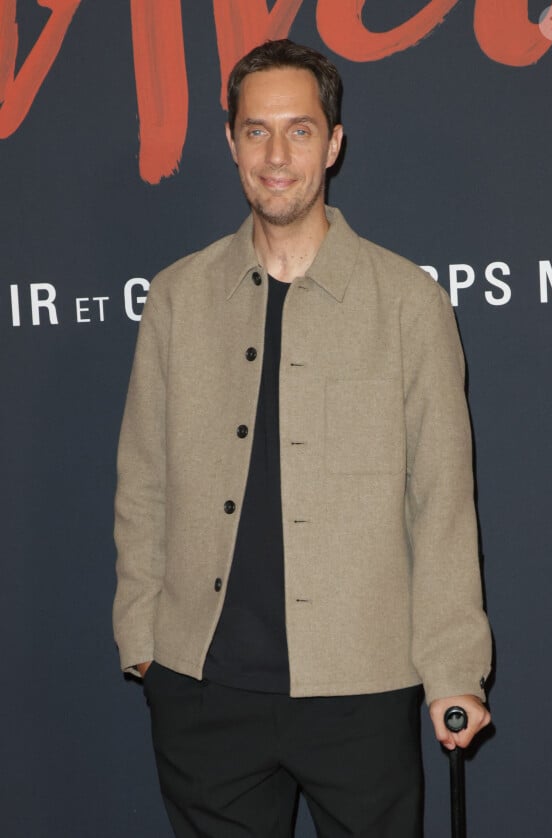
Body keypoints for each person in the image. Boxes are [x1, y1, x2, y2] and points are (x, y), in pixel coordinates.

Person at [113, 39, 492, 838]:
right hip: (203, 691)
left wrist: (454, 671)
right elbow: (142, 478)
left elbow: (443, 505)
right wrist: (143, 638)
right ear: (229, 142)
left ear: (334, 141)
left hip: (362, 688)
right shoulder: (178, 298)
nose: (276, 155)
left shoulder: (406, 304)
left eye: (299, 129)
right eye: (256, 131)